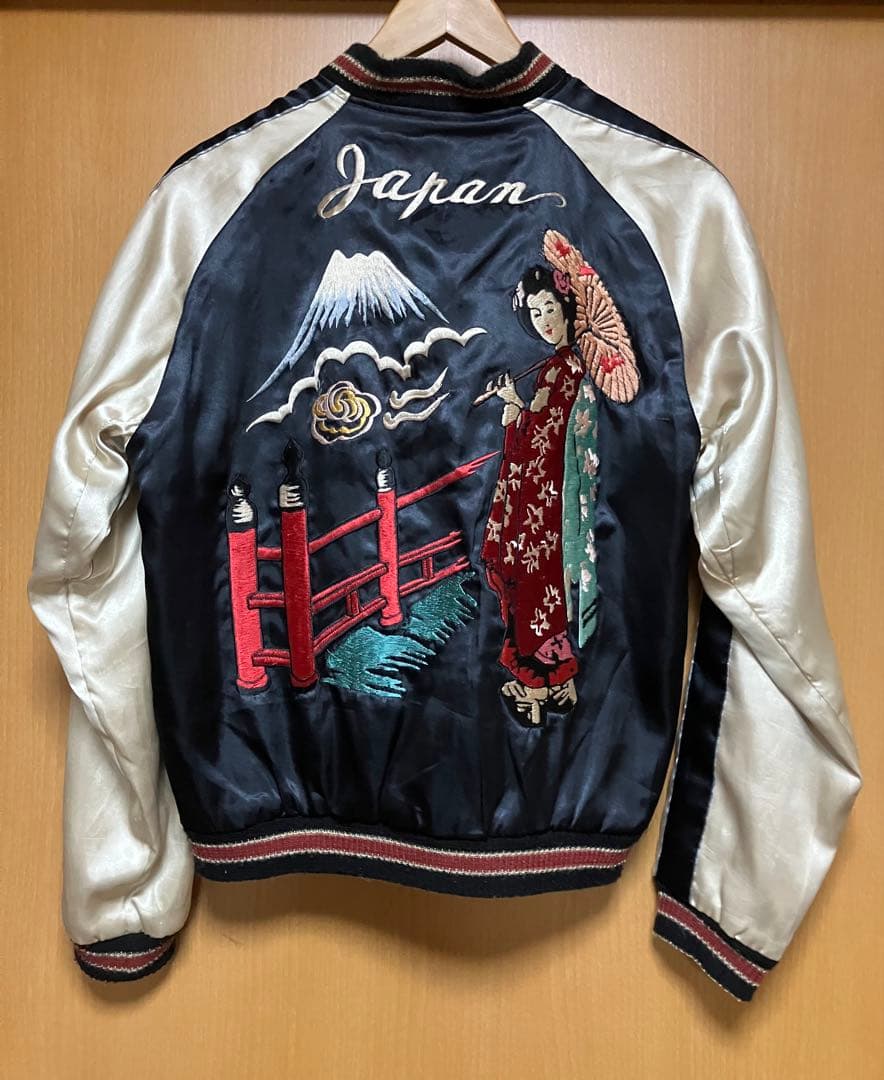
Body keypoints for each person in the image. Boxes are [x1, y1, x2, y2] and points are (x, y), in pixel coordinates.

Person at [480, 264, 599, 728]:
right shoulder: (561, 368)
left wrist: (515, 408)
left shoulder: (561, 370)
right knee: (544, 591)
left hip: (543, 505)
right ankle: (560, 684)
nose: (545, 319)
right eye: (535, 312)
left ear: (566, 308)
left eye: (550, 307)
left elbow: (544, 441)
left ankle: (535, 689)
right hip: (545, 499)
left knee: (533, 588)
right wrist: (519, 407)